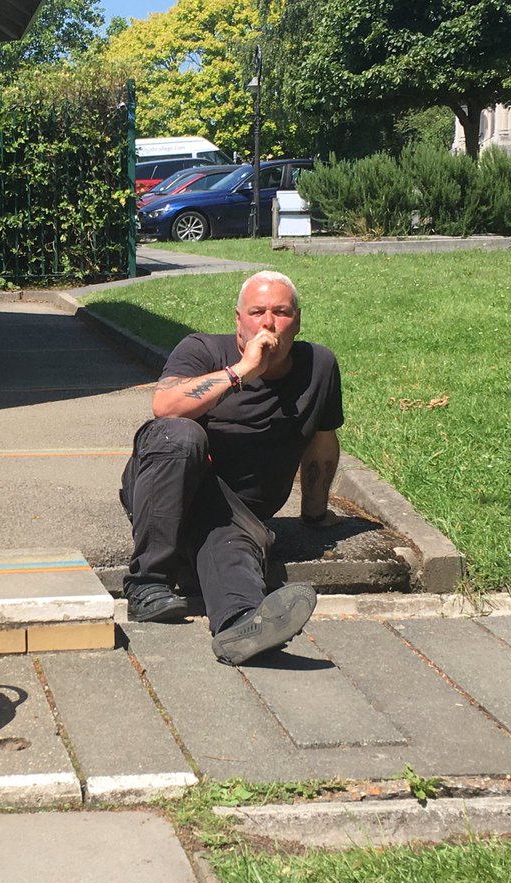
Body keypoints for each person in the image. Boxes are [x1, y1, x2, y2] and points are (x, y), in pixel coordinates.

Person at [119, 270, 343, 666]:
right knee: (180, 435)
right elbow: (164, 408)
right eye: (257, 311)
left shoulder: (319, 365)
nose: (269, 322)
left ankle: (242, 625)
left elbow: (322, 441)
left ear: (298, 319)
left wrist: (314, 513)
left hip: (237, 513)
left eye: (281, 312)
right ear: (238, 319)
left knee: (228, 541)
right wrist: (243, 371)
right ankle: (146, 585)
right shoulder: (202, 350)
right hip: (170, 484)